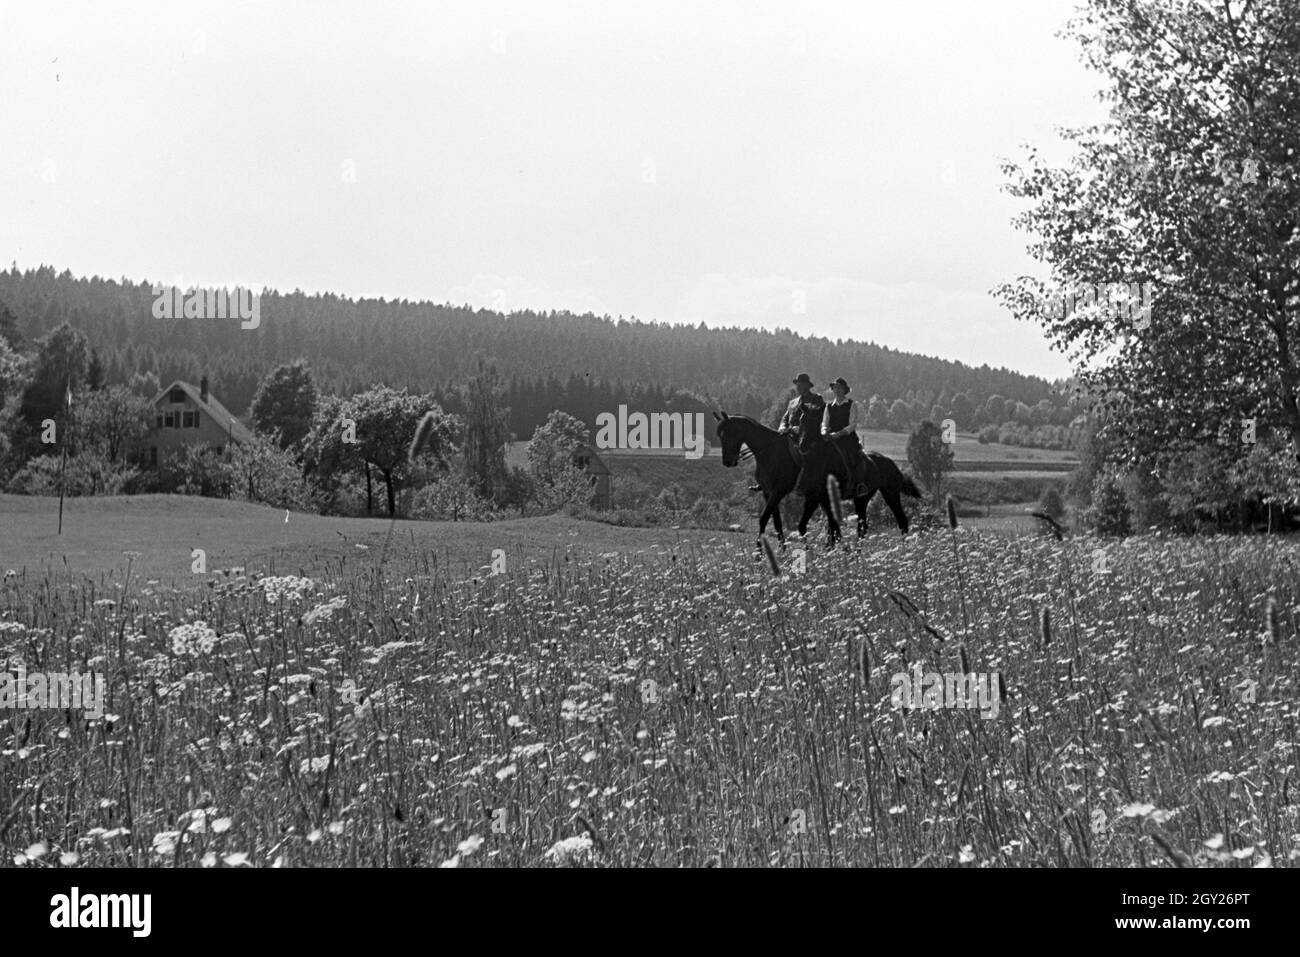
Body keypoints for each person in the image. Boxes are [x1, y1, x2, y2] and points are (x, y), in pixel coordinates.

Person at [749, 373, 825, 491]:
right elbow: (785, 418)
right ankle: (766, 481)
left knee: (804, 454)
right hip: (789, 434)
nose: (797, 387)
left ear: (807, 385)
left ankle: (804, 483)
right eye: (797, 385)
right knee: (771, 451)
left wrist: (800, 428)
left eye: (800, 385)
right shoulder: (793, 402)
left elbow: (816, 417)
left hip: (806, 436)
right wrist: (782, 428)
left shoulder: (816, 399)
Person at [822, 377, 870, 497]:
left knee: (855, 456)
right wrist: (824, 431)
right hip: (831, 438)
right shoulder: (828, 406)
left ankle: (859, 484)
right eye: (835, 388)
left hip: (847, 438)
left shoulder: (851, 404)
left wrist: (839, 434)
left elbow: (852, 424)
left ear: (844, 390)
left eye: (839, 388)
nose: (837, 390)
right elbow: (824, 423)